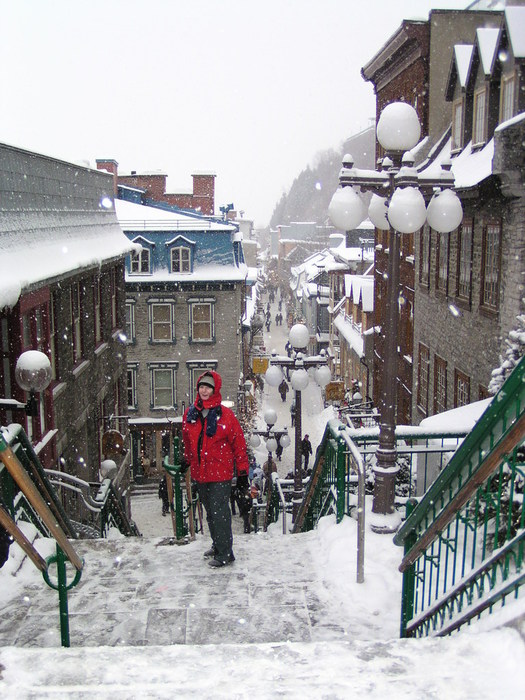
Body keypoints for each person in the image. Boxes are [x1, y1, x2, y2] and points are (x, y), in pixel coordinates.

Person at [182, 370, 249, 568]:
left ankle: (226, 553)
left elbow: (239, 444)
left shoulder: (225, 416)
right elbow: (188, 441)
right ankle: (218, 545)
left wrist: (242, 472)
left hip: (220, 473)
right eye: (202, 386)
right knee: (209, 512)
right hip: (200, 474)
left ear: (215, 390)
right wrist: (186, 460)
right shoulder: (191, 414)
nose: (204, 390)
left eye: (208, 387)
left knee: (220, 512)